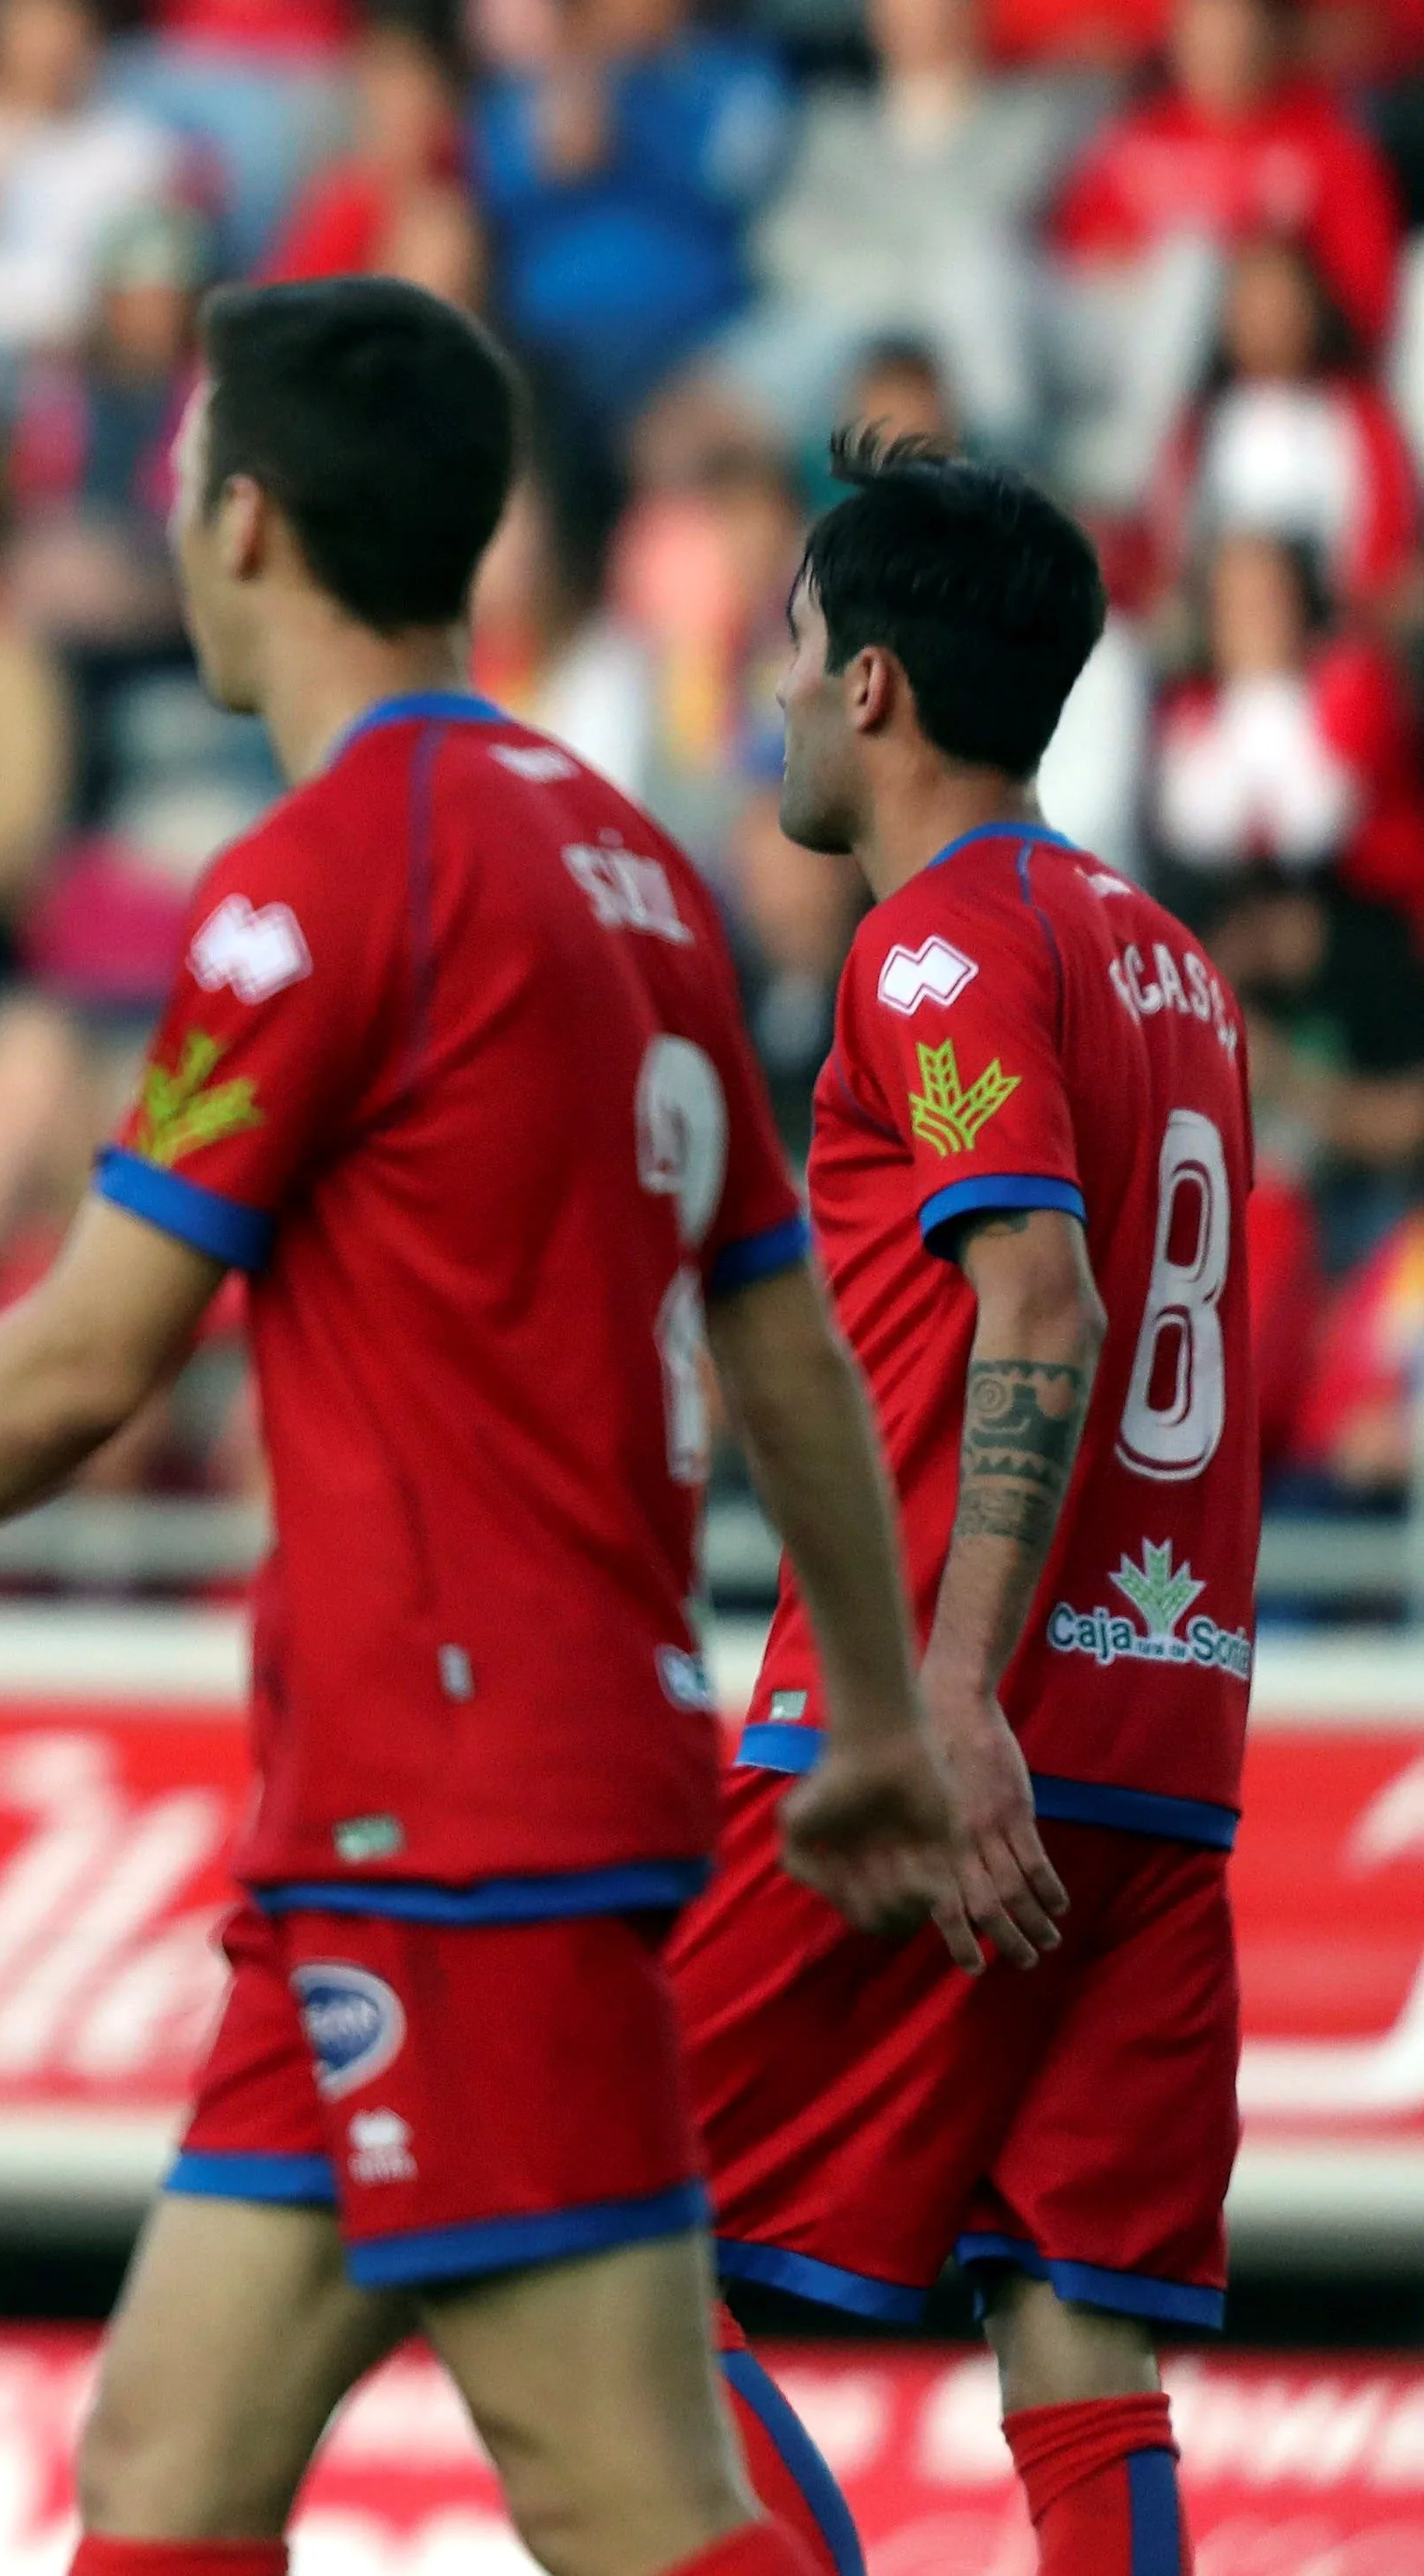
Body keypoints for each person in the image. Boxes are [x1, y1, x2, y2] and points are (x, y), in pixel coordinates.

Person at [0, 277, 976, 2576]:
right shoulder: (634, 870)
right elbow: (786, 1350)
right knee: (165, 2467)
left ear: (242, 518)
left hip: (463, 1815)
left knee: (634, 2498)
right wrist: (863, 1714)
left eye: (176, 477)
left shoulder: (332, 877)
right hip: (418, 1811)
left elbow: (87, 1354)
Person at [674, 435, 1261, 2576]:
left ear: (875, 690)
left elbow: (1044, 1294)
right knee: (1080, 2340)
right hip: (1159, 1755)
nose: (772, 685)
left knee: (595, 2236)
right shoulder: (1171, 966)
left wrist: (943, 1696)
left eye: (795, 640)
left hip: (927, 1729)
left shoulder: (934, 952)